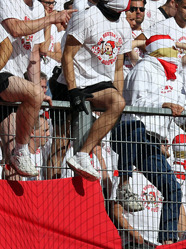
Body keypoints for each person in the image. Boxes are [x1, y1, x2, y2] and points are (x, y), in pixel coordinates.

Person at [111, 35, 186, 242]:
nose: (176, 54)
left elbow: (179, 110)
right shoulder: (143, 68)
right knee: (136, 126)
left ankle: (168, 241)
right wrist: (165, 103)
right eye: (172, 49)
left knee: (173, 189)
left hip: (152, 142)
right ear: (161, 49)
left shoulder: (175, 77)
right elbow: (136, 104)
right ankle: (124, 186)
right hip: (127, 133)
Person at [52, 0, 130, 180]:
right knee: (61, 145)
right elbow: (67, 55)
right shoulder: (86, 17)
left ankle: (81, 156)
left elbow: (118, 69)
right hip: (69, 83)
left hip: (99, 83)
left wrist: (116, 98)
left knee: (118, 103)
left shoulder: (124, 26)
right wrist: (72, 90)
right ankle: (50, 187)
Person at [0, 26, 46, 177]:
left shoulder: (38, 9)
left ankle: (19, 151)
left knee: (13, 162)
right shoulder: (8, 7)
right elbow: (15, 30)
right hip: (6, 82)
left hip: (9, 87)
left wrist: (38, 91)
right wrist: (50, 19)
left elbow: (7, 46)